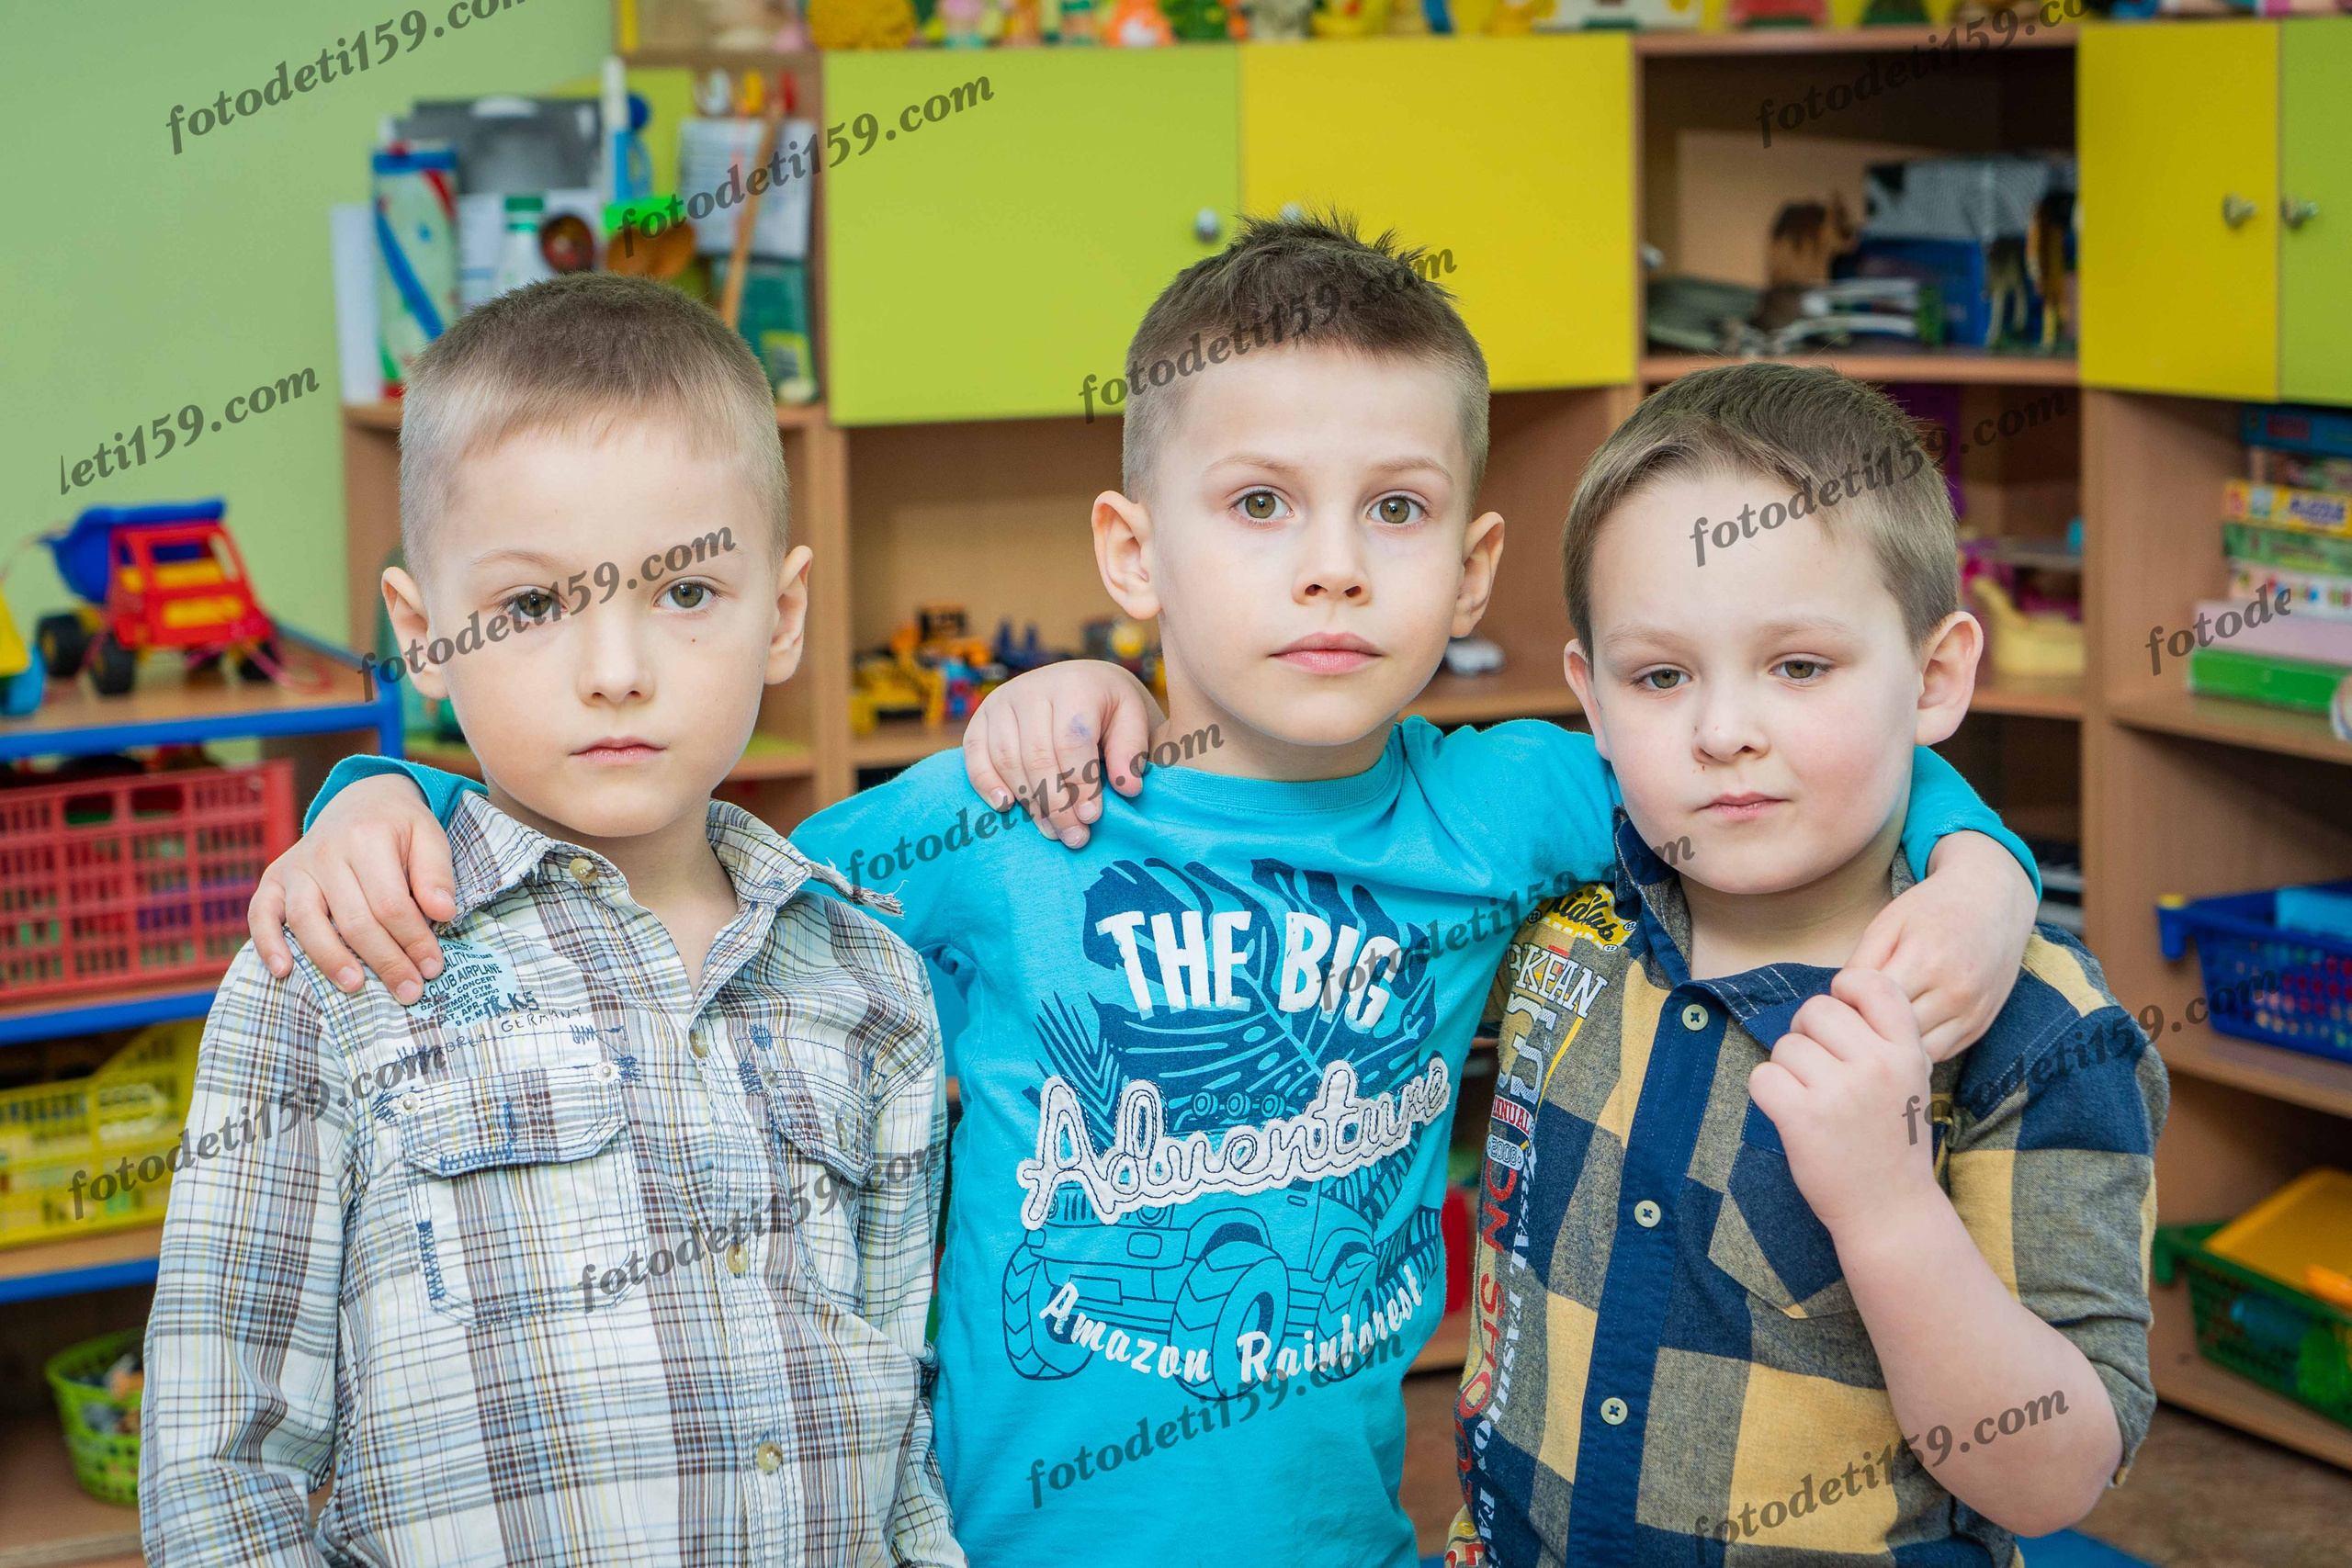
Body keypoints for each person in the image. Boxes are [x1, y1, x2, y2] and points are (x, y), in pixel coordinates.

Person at [244, 217, 2041, 1568]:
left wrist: (1978, 870)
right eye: (1257, 502)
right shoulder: (1012, 807)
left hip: (1345, 1533)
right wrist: (378, 787)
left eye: (1394, 510)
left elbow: (1784, 766)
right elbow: (672, 854)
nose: (1331, 567)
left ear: (1475, 560)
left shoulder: (1505, 800)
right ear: (1131, 547)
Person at [144, 275, 961, 1568]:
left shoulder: (870, 979)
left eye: (687, 594)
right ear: (421, 633)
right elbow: (218, 1465)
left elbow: (901, 1428)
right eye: (533, 609)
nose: (617, 668)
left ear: (785, 613)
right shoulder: (342, 960)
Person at [1433, 364, 2165, 1565]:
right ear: (1594, 700)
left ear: (1934, 679)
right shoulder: (1564, 911)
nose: (1724, 731)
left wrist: (1886, 1210)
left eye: (1800, 667)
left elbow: (2057, 1471)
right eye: (1661, 676)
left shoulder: (2036, 1024)